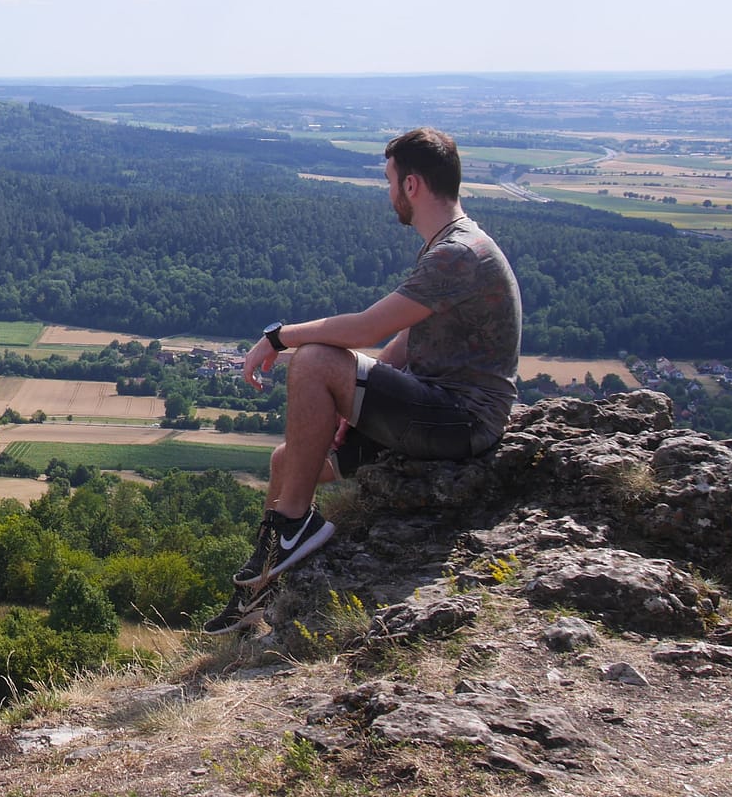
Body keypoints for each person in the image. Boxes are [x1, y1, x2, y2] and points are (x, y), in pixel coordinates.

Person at [205, 127, 522, 634]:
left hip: (461, 420)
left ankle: (292, 527)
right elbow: (402, 342)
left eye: (390, 180)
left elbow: (368, 328)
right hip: (435, 411)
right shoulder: (449, 247)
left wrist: (278, 337)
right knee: (286, 462)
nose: (388, 191)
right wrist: (355, 410)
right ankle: (262, 592)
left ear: (412, 185)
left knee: (311, 359)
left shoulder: (458, 254)